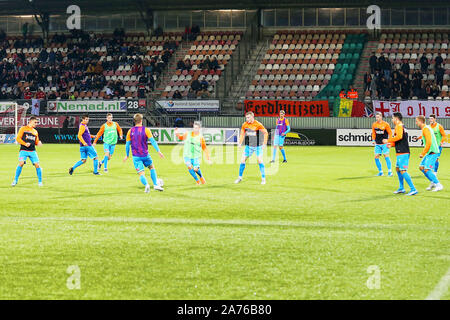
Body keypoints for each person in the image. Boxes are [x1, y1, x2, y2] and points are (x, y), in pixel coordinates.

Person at [123, 113, 164, 193]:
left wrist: (127, 155)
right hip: (145, 155)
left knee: (141, 173)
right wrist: (158, 151)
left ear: (134, 121)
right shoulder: (146, 130)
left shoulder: (130, 131)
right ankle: (155, 184)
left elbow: (127, 145)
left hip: (136, 156)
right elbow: (153, 141)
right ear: (141, 120)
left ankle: (146, 185)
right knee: (151, 167)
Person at [383, 113, 417, 196]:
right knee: (398, 169)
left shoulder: (399, 126)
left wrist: (388, 140)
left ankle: (413, 189)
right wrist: (392, 144)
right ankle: (401, 188)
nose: (392, 120)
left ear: (396, 118)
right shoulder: (402, 126)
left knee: (402, 170)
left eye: (392, 118)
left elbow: (399, 137)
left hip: (403, 152)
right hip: (401, 151)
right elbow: (400, 140)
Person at [235, 111, 268, 185]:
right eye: (246, 117)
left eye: (248, 117)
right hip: (249, 146)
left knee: (259, 160)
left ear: (252, 117)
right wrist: (240, 143)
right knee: (242, 160)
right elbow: (242, 134)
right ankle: (239, 177)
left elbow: (265, 133)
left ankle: (263, 179)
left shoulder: (258, 124)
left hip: (258, 146)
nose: (247, 119)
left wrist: (264, 143)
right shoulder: (245, 125)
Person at [414, 115, 443, 192]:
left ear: (420, 121)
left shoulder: (426, 129)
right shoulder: (426, 128)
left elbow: (429, 142)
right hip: (430, 152)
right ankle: (433, 181)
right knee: (421, 167)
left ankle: (438, 184)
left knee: (427, 169)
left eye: (416, 121)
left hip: (433, 151)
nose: (416, 123)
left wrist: (423, 153)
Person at [11, 116, 43, 187]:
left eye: (37, 122)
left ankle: (40, 182)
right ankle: (15, 180)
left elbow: (36, 141)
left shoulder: (35, 131)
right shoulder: (23, 128)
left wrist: (39, 143)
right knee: (21, 163)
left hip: (32, 151)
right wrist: (25, 144)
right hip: (23, 150)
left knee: (37, 165)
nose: (36, 124)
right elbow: (18, 138)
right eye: (35, 122)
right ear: (30, 121)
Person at [372, 112, 393, 176]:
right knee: (376, 157)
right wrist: (373, 140)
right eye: (376, 117)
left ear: (381, 117)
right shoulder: (374, 124)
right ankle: (380, 172)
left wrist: (389, 141)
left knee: (386, 155)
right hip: (378, 144)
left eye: (378, 117)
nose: (377, 118)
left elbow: (390, 133)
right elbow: (373, 133)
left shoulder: (386, 124)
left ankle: (390, 171)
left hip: (384, 144)